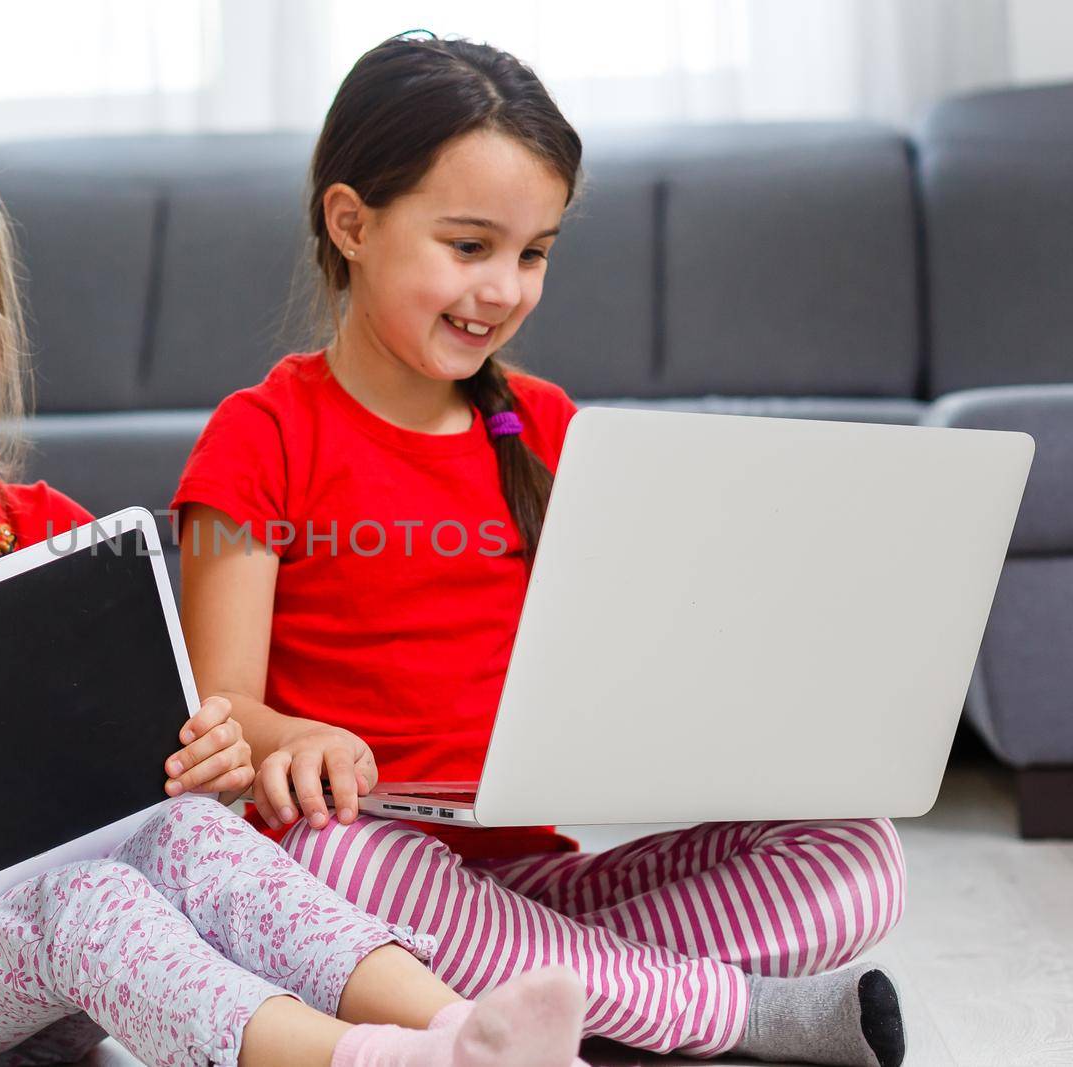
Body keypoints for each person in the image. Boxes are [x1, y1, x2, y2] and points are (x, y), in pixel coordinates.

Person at [0, 150, 591, 1067]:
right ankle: (373, 1060)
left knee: (185, 829)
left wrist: (210, 763)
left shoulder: (50, 531)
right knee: (87, 897)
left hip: (58, 988)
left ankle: (470, 1034)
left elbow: (152, 773)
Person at [173, 33, 906, 1067]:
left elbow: (631, 658)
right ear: (351, 222)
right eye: (468, 246)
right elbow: (218, 713)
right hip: (365, 873)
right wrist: (292, 734)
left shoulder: (550, 426)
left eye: (533, 253)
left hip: (530, 879)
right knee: (334, 859)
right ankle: (736, 1013)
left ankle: (545, 996)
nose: (504, 289)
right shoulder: (263, 434)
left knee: (859, 851)